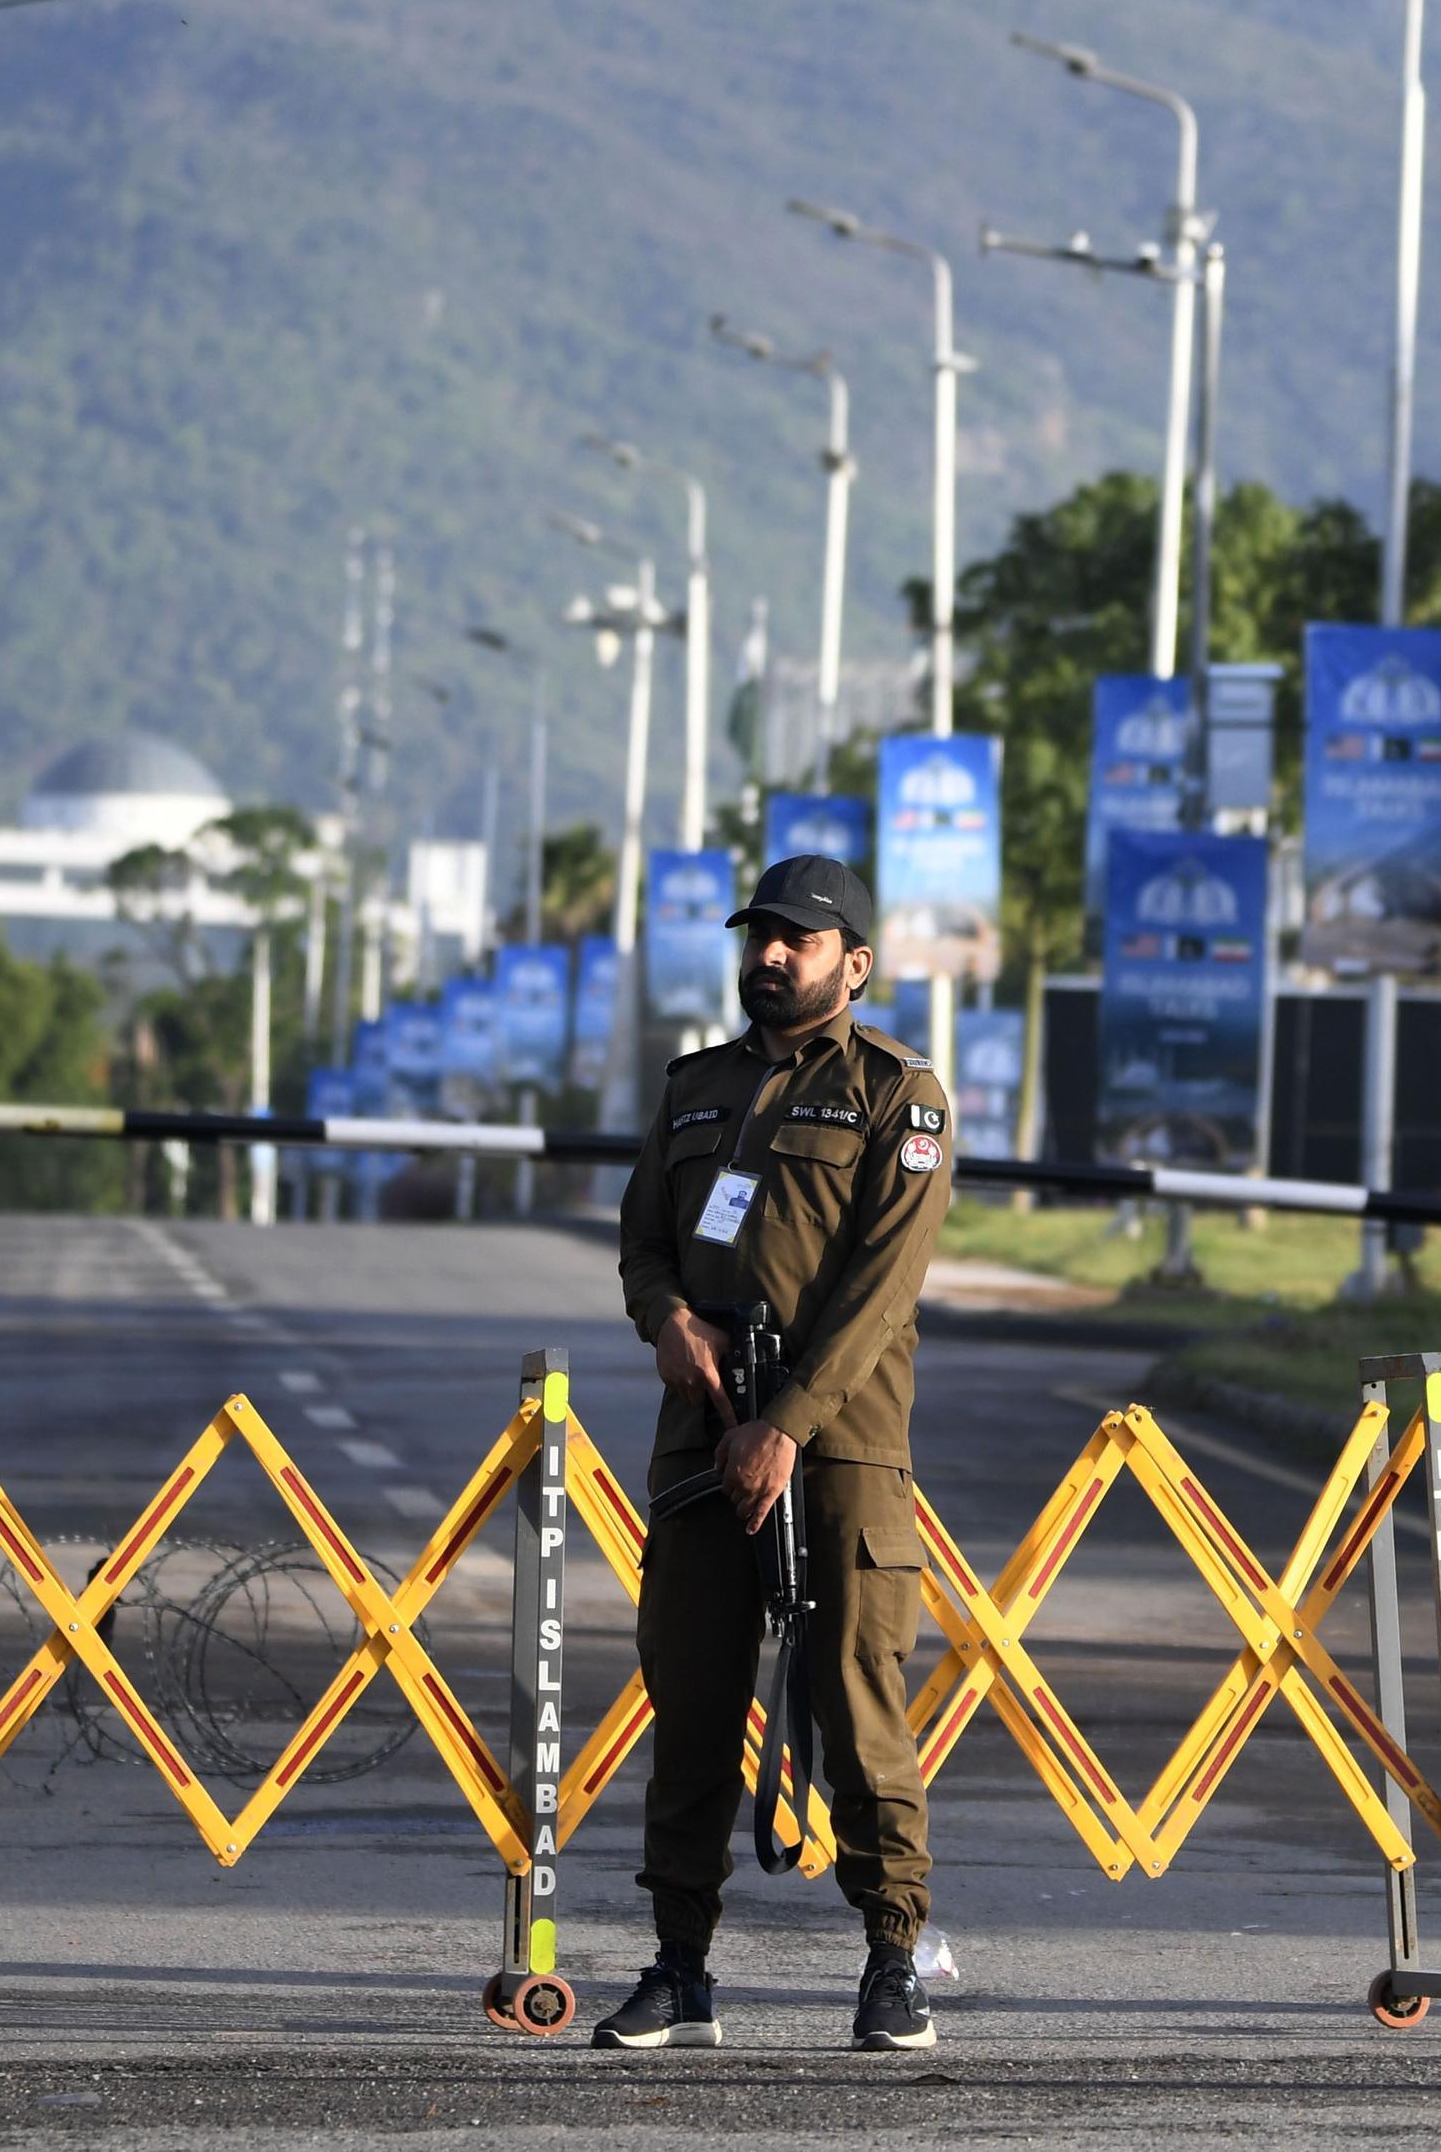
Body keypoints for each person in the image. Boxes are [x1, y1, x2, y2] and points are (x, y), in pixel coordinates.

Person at [602, 854, 952, 2054]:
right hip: (703, 1436)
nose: (768, 956)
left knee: (856, 1705)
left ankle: (892, 1961)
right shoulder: (695, 1086)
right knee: (691, 1704)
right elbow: (643, 1242)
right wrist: (667, 1319)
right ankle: (680, 1966)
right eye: (759, 935)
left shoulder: (897, 1094)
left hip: (841, 1448)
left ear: (854, 964)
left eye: (796, 940)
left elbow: (882, 1290)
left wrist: (789, 1424)